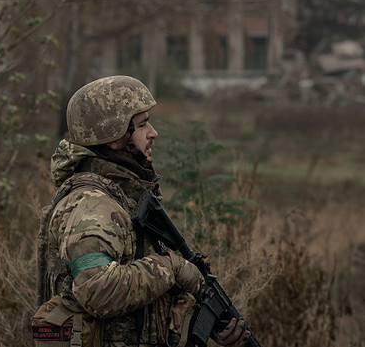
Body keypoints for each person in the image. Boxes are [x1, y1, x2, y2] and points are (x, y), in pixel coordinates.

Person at [32, 75, 249, 347]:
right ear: (114, 136)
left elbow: (137, 286)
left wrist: (196, 309)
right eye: (143, 125)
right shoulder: (92, 204)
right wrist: (172, 266)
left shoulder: (123, 196)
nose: (153, 132)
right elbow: (97, 291)